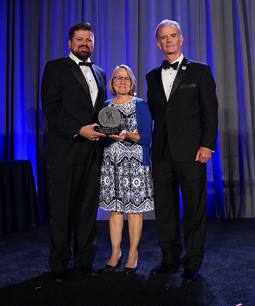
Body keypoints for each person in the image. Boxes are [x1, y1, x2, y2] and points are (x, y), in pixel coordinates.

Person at [146, 20, 218, 282]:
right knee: (164, 210)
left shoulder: (200, 71)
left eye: (173, 36)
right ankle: (169, 259)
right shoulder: (152, 76)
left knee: (194, 209)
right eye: (163, 37)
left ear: (181, 39)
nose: (168, 41)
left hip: (192, 152)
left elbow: (211, 112)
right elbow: (152, 114)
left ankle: (192, 262)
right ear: (158, 43)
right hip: (162, 153)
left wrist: (207, 144)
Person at [41, 22, 107, 281]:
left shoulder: (100, 73)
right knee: (61, 211)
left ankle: (84, 262)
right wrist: (80, 129)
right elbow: (52, 110)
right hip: (64, 151)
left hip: (93, 152)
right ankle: (58, 265)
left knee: (88, 210)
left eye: (88, 40)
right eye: (79, 40)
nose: (84, 44)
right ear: (70, 43)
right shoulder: (55, 68)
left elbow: (102, 113)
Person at [99, 65, 154, 274]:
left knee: (134, 210)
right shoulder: (106, 105)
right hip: (111, 165)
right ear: (112, 82)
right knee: (115, 209)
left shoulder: (140, 105)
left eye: (126, 79)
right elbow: (103, 133)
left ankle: (133, 253)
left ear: (132, 83)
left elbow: (147, 138)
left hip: (135, 166)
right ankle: (115, 252)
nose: (122, 82)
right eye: (118, 78)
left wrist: (128, 135)